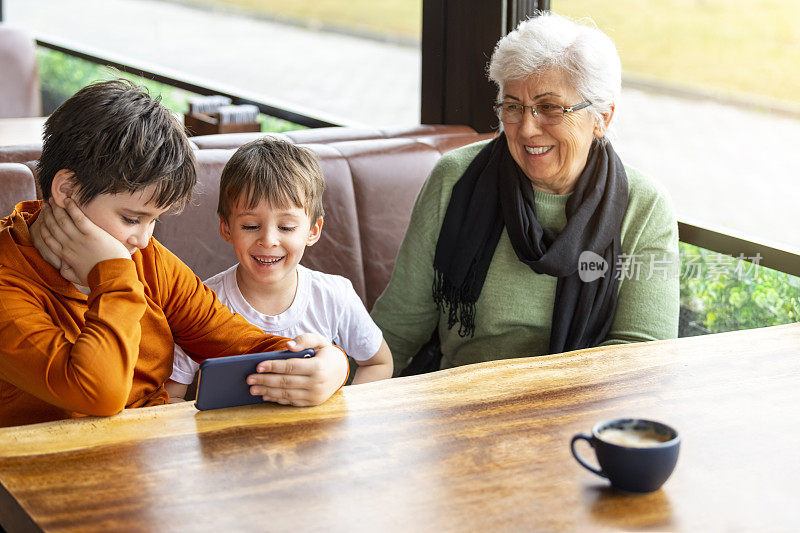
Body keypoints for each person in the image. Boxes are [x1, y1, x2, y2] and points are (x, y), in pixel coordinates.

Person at [0, 80, 348, 427]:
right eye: (131, 218)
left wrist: (328, 363)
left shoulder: (144, 255)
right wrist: (112, 273)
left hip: (150, 458)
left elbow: (239, 341)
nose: (143, 239)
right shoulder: (13, 281)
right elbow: (99, 393)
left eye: (154, 221)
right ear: (67, 190)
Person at [371, 13, 680, 375]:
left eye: (549, 107)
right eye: (513, 107)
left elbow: (642, 354)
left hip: (584, 411)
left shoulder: (644, 206)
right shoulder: (455, 178)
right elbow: (398, 326)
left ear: (602, 118)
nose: (527, 129)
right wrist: (340, 372)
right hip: (458, 407)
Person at [166, 139, 392, 400]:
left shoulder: (334, 295)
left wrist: (342, 408)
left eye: (286, 227)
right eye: (251, 226)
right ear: (227, 228)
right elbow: (170, 396)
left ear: (313, 230)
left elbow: (379, 362)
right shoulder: (199, 305)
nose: (269, 240)